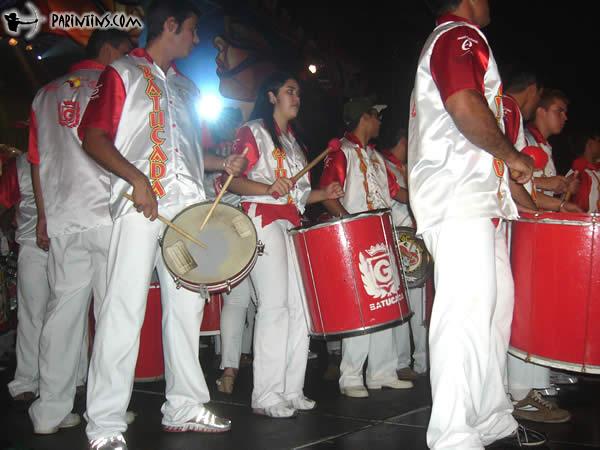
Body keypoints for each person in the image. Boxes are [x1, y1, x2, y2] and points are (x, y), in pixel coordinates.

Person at [77, 2, 247, 448]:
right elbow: (92, 136)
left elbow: (190, 153)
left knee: (187, 311)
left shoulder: (188, 90)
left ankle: (185, 405)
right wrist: (136, 179)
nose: (194, 40)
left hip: (186, 213)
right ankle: (105, 423)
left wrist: (220, 162)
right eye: (191, 30)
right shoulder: (123, 73)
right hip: (138, 207)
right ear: (170, 25)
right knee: (123, 309)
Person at [409, 1, 545, 448]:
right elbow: (465, 105)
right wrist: (512, 154)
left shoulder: (459, 38)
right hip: (458, 194)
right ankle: (452, 432)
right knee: (466, 313)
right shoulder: (457, 36)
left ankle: (489, 415)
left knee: (492, 312)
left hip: (482, 199)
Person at [24, 29, 132, 435]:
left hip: (65, 216)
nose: (127, 58)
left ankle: (49, 412)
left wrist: (42, 216)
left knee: (62, 314)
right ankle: (104, 413)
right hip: (108, 213)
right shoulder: (114, 84)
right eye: (124, 50)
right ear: (107, 48)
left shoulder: (44, 94)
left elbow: (37, 161)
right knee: (110, 315)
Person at [228, 71, 344, 418]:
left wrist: (325, 194)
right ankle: (265, 394)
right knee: (275, 306)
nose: (297, 98)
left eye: (298, 93)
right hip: (261, 220)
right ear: (271, 95)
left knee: (300, 309)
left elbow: (299, 194)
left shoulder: (295, 143)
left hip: (291, 223)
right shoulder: (254, 132)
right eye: (289, 91)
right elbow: (231, 181)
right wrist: (266, 189)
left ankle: (291, 389)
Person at [319, 96, 414, 398]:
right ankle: (350, 376)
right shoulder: (340, 153)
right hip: (355, 237)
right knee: (360, 309)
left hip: (382, 235)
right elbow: (327, 196)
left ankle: (381, 372)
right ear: (364, 117)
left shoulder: (377, 158)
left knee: (385, 303)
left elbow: (397, 192)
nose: (380, 122)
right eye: (377, 116)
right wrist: (349, 225)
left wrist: (430, 199)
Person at [502, 70, 572, 424]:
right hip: (512, 228)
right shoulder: (512, 122)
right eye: (558, 109)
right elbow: (513, 182)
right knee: (517, 310)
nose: (564, 118)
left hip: (526, 226)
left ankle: (527, 388)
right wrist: (551, 201)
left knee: (524, 309)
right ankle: (518, 390)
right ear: (535, 98)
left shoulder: (532, 139)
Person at [201, 107, 254, 394]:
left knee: (237, 300)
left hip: (221, 225)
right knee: (256, 303)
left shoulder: (207, 151)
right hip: (244, 222)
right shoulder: (243, 147)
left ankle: (230, 370)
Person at [381, 127, 428, 380]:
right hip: (398, 239)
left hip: (416, 241)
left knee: (420, 305)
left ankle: (422, 362)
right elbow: (395, 193)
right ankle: (400, 361)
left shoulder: (408, 165)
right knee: (401, 305)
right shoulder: (384, 163)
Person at [525, 89, 578, 198]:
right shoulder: (523, 139)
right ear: (541, 112)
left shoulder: (545, 147)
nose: (565, 117)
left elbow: (541, 192)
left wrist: (563, 187)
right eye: (559, 111)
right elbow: (506, 181)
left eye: (565, 113)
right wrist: (544, 183)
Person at [569, 129, 600, 213]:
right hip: (583, 223)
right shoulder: (577, 171)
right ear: (589, 143)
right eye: (598, 141)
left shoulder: (597, 171)